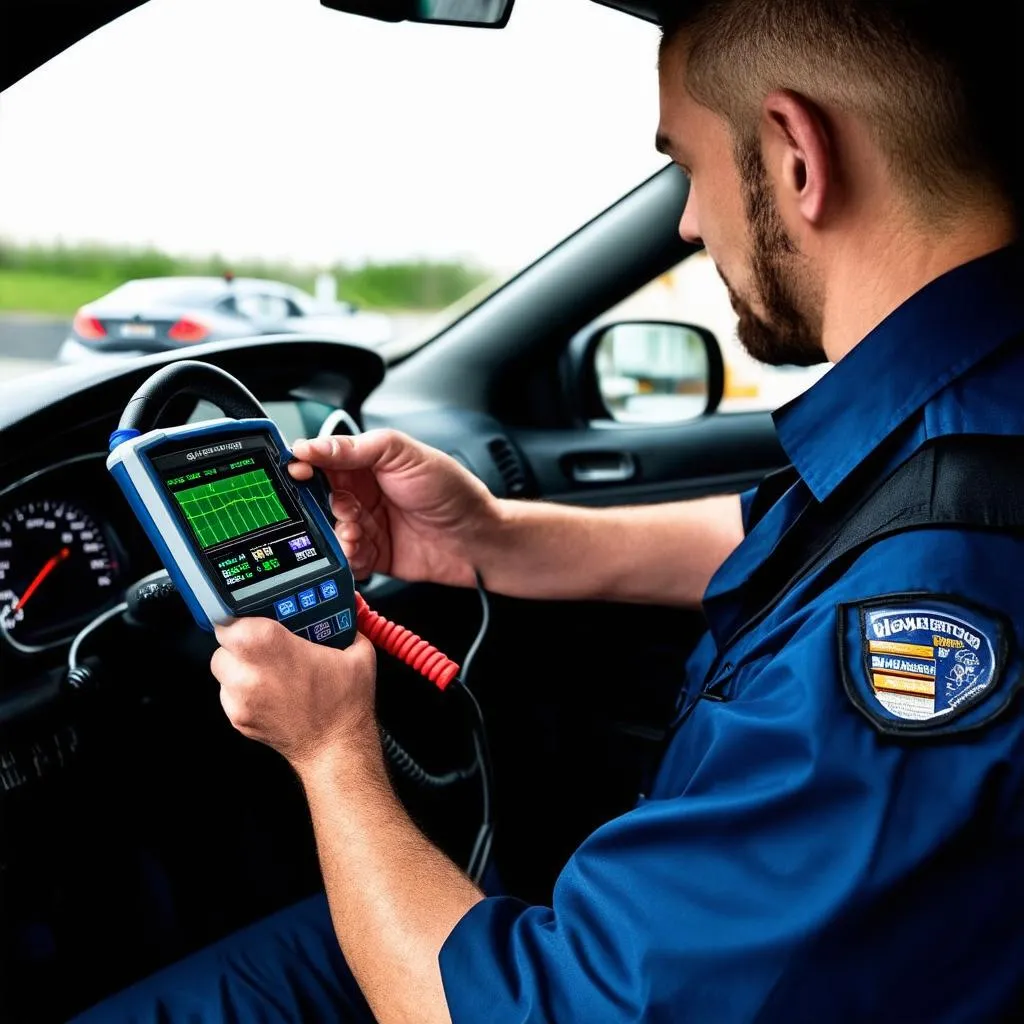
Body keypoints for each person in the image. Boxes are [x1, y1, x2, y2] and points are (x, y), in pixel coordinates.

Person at [74, 0, 1024, 1020]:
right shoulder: (964, 414)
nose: (690, 223)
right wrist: (488, 537)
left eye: (688, 168)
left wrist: (329, 746)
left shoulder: (926, 598)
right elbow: (794, 540)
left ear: (796, 153)